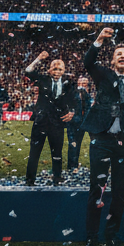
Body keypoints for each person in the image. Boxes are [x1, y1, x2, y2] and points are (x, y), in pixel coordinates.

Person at [82, 29, 124, 246]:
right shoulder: (103, 75)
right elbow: (88, 62)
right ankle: (92, 238)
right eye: (118, 53)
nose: (122, 56)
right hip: (101, 139)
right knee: (97, 189)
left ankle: (111, 237)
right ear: (112, 60)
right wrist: (99, 40)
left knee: (119, 191)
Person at [23, 52, 77, 186]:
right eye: (54, 68)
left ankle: (57, 178)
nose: (57, 71)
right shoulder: (43, 79)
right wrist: (38, 59)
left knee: (57, 153)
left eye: (60, 69)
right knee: (34, 152)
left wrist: (72, 112)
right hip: (40, 122)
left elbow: (73, 101)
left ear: (64, 70)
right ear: (49, 69)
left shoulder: (68, 84)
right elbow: (28, 71)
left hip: (58, 123)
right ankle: (30, 180)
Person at [67, 76, 93, 171]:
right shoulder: (73, 93)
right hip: (73, 123)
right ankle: (71, 166)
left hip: (81, 123)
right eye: (81, 83)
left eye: (84, 83)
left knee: (77, 144)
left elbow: (87, 109)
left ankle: (74, 164)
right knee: (73, 143)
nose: (82, 85)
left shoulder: (87, 95)